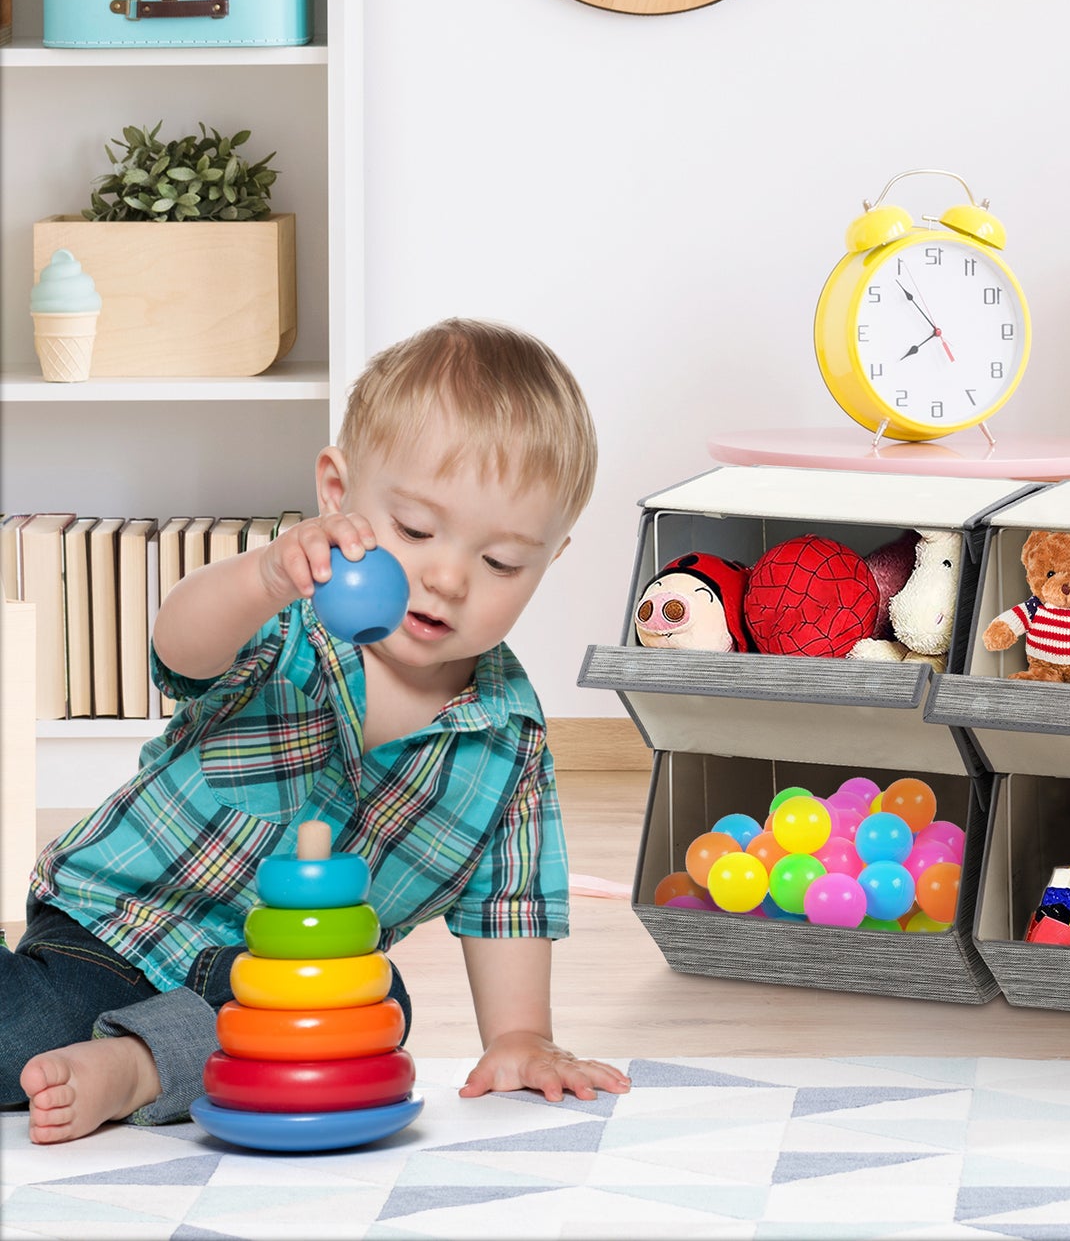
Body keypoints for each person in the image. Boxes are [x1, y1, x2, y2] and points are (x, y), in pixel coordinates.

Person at [1, 318, 631, 1144]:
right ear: (338, 494)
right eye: (414, 530)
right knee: (23, 1026)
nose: (447, 576)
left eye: (502, 562)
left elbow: (509, 904)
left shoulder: (508, 739)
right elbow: (177, 647)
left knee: (378, 1009)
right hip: (113, 929)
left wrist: (518, 1038)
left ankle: (137, 1067)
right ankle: (114, 1046)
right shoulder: (289, 620)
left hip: (268, 991)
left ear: (549, 561)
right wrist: (262, 576)